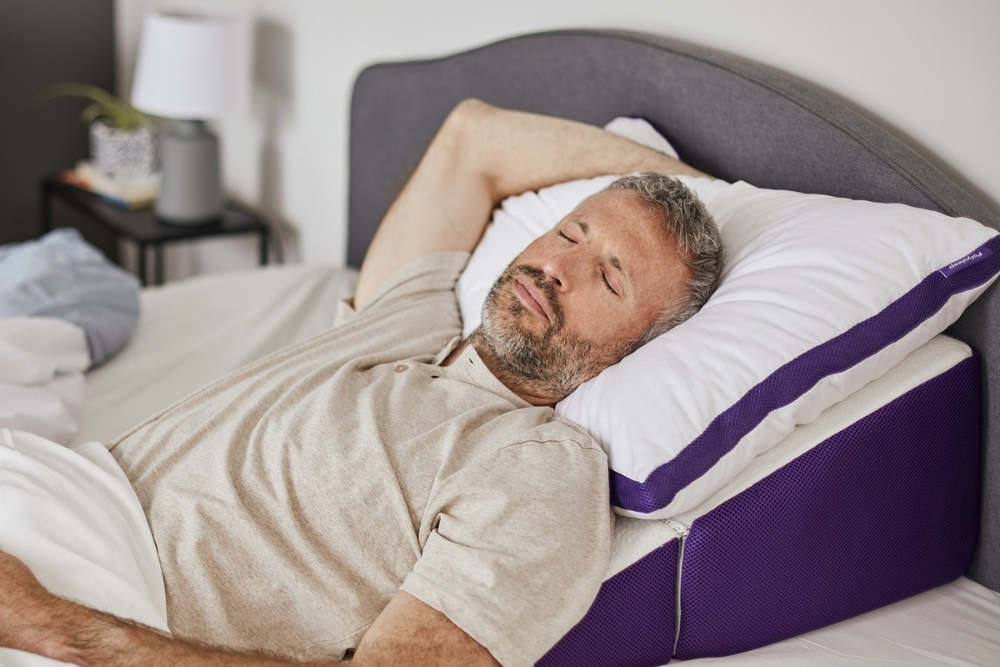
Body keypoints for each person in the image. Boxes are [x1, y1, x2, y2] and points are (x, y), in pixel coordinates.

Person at [0, 99, 721, 667]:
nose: (557, 267)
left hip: (95, 589)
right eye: (569, 234)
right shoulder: (407, 318)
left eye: (611, 276)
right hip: (49, 487)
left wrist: (54, 626)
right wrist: (715, 187)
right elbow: (472, 138)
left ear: (639, 351)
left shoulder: (538, 471)